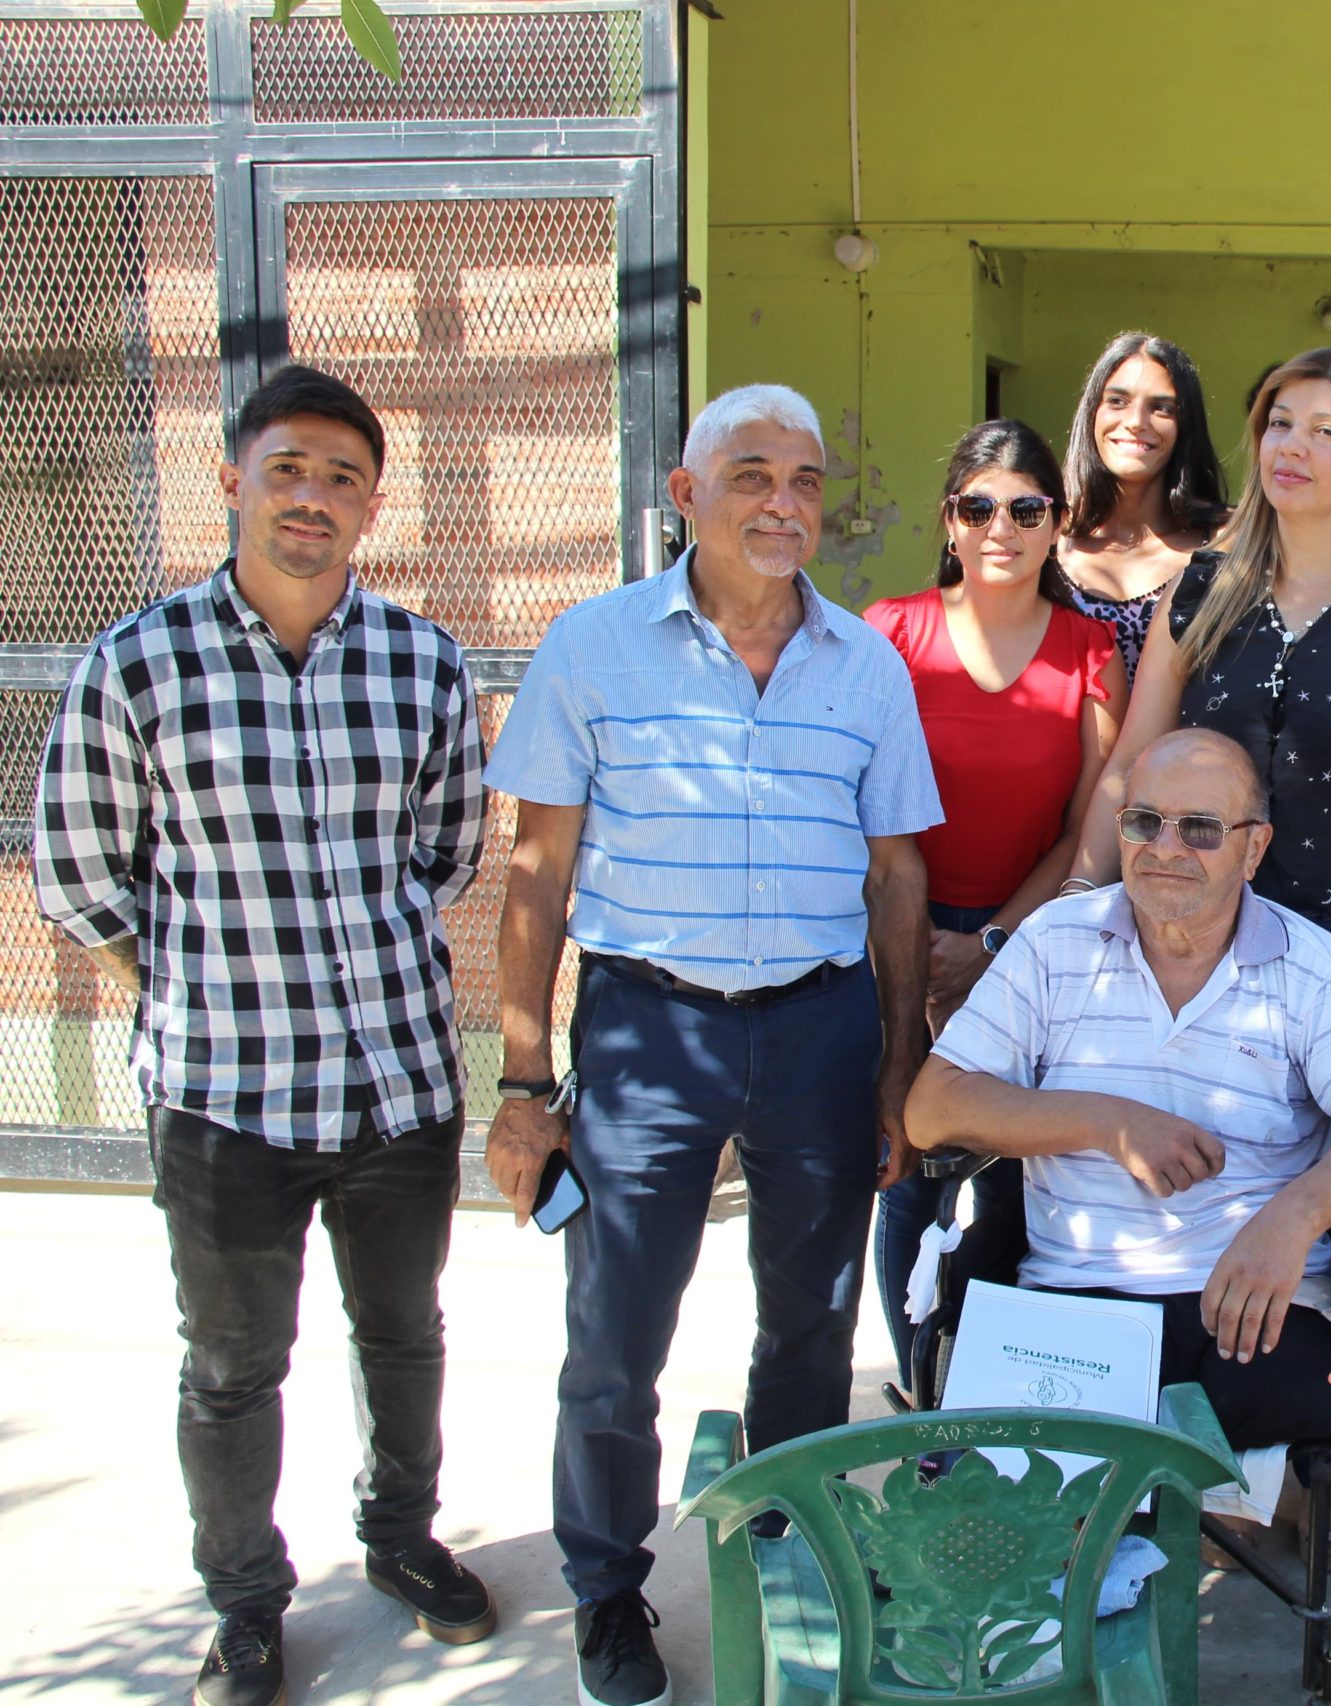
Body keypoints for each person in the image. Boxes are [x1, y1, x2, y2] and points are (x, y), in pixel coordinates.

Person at [32, 365, 491, 1706]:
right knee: (233, 1367)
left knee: (403, 1332)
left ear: (372, 507)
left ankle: (401, 1543)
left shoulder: (423, 661)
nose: (314, 496)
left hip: (399, 1082)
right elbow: (78, 869)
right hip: (225, 1097)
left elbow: (449, 851)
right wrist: (177, 976)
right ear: (233, 479)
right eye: (289, 468)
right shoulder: (138, 662)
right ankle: (244, 1603)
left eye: (343, 477)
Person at [482, 384, 941, 1706]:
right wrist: (522, 1082)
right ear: (686, 496)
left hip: (818, 1024)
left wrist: (899, 1065)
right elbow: (536, 869)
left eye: (804, 479)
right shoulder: (595, 644)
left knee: (812, 1317)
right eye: (751, 475)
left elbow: (897, 874)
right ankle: (607, 1592)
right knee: (617, 1331)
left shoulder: (865, 664)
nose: (784, 503)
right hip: (646, 1026)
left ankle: (784, 1542)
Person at [906, 729, 1331, 1446]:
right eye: (1145, 821)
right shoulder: (1055, 941)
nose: (1166, 848)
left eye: (1202, 829)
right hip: (1076, 1298)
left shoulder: (1311, 966)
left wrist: (1292, 1219)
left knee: (1272, 1438)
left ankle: (1243, 1517)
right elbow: (932, 1108)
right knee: (1018, 1510)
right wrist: (1109, 1123)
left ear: (1254, 849)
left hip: (1256, 1295)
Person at [1072, 347, 1331, 1081]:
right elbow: (1129, 764)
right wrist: (1077, 904)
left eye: (1326, 432)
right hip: (1189, 933)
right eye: (1280, 423)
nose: (1291, 445)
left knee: (1330, 1185)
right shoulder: (1200, 592)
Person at [863, 420, 1126, 1386]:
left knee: (1015, 1193)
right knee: (908, 1181)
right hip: (891, 945)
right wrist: (919, 952)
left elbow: (1087, 827)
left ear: (1056, 523)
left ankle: (1001, 1406)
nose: (1000, 527)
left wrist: (989, 943)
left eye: (1025, 508)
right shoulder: (887, 632)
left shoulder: (1092, 652)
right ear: (950, 520)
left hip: (1030, 953)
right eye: (979, 507)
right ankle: (925, 1398)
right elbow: (862, 812)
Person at [1056, 332, 1229, 679]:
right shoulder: (1044, 535)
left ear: (1185, 425)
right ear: (1092, 411)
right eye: (1117, 401)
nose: (1137, 421)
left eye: (1161, 407)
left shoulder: (1226, 542)